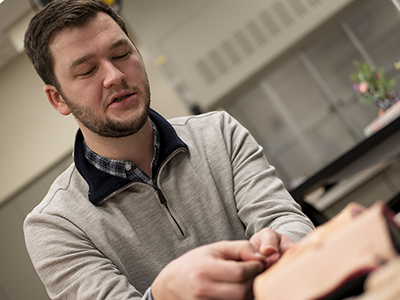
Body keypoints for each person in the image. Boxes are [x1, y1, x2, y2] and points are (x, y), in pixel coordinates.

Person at [23, 0, 314, 299]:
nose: (115, 76)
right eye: (87, 70)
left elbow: (285, 218)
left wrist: (281, 242)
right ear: (57, 99)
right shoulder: (55, 226)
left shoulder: (219, 133)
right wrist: (163, 294)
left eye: (122, 54)